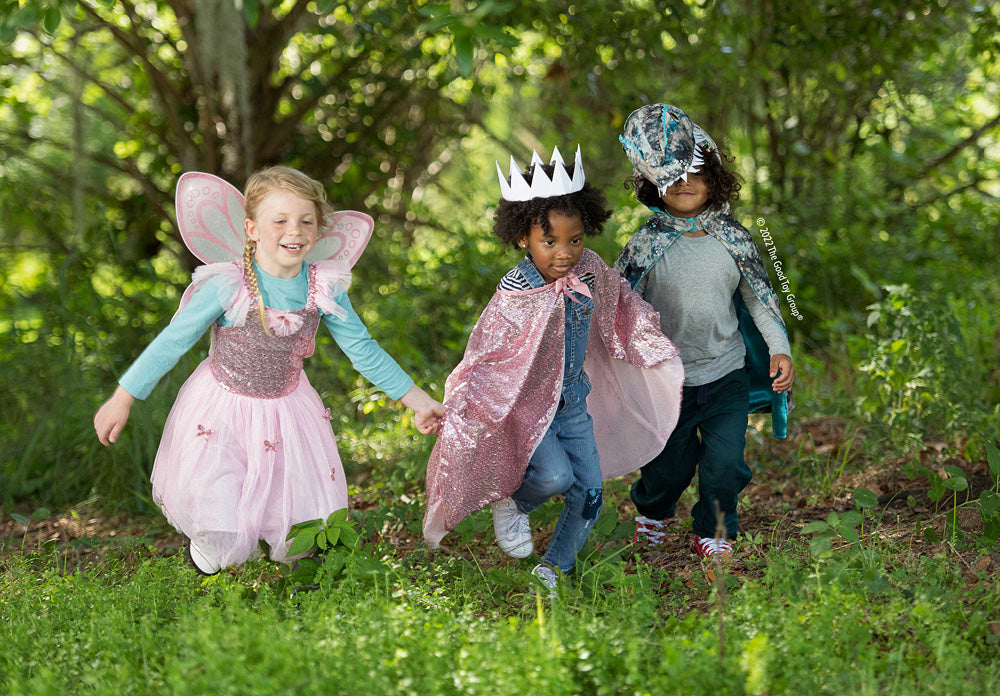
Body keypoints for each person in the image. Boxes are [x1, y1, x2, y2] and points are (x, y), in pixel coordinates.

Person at [94, 166, 444, 575]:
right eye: (279, 220)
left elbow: (363, 349)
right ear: (253, 229)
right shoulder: (229, 284)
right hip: (221, 406)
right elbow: (174, 340)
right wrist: (124, 397)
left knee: (293, 498)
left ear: (318, 230)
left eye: (305, 221)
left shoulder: (323, 287)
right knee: (217, 496)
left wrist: (417, 400)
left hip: (287, 409)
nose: (293, 230)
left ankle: (301, 580)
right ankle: (210, 561)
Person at [423, 147, 683, 592]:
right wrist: (467, 402)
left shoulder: (589, 269)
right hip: (529, 408)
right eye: (550, 242)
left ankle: (554, 569)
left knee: (591, 492)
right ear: (523, 237)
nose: (564, 253)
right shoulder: (517, 288)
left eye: (575, 239)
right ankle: (515, 504)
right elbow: (490, 351)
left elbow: (621, 303)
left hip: (572, 403)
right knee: (554, 476)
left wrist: (650, 343)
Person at [615, 104, 796, 558]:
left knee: (725, 466)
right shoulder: (644, 243)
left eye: (695, 171)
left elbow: (761, 295)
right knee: (668, 468)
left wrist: (779, 347)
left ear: (714, 175)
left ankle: (715, 530)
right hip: (668, 380)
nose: (684, 183)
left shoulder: (736, 238)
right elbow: (618, 304)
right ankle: (653, 513)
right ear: (652, 183)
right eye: (671, 176)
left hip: (726, 374)